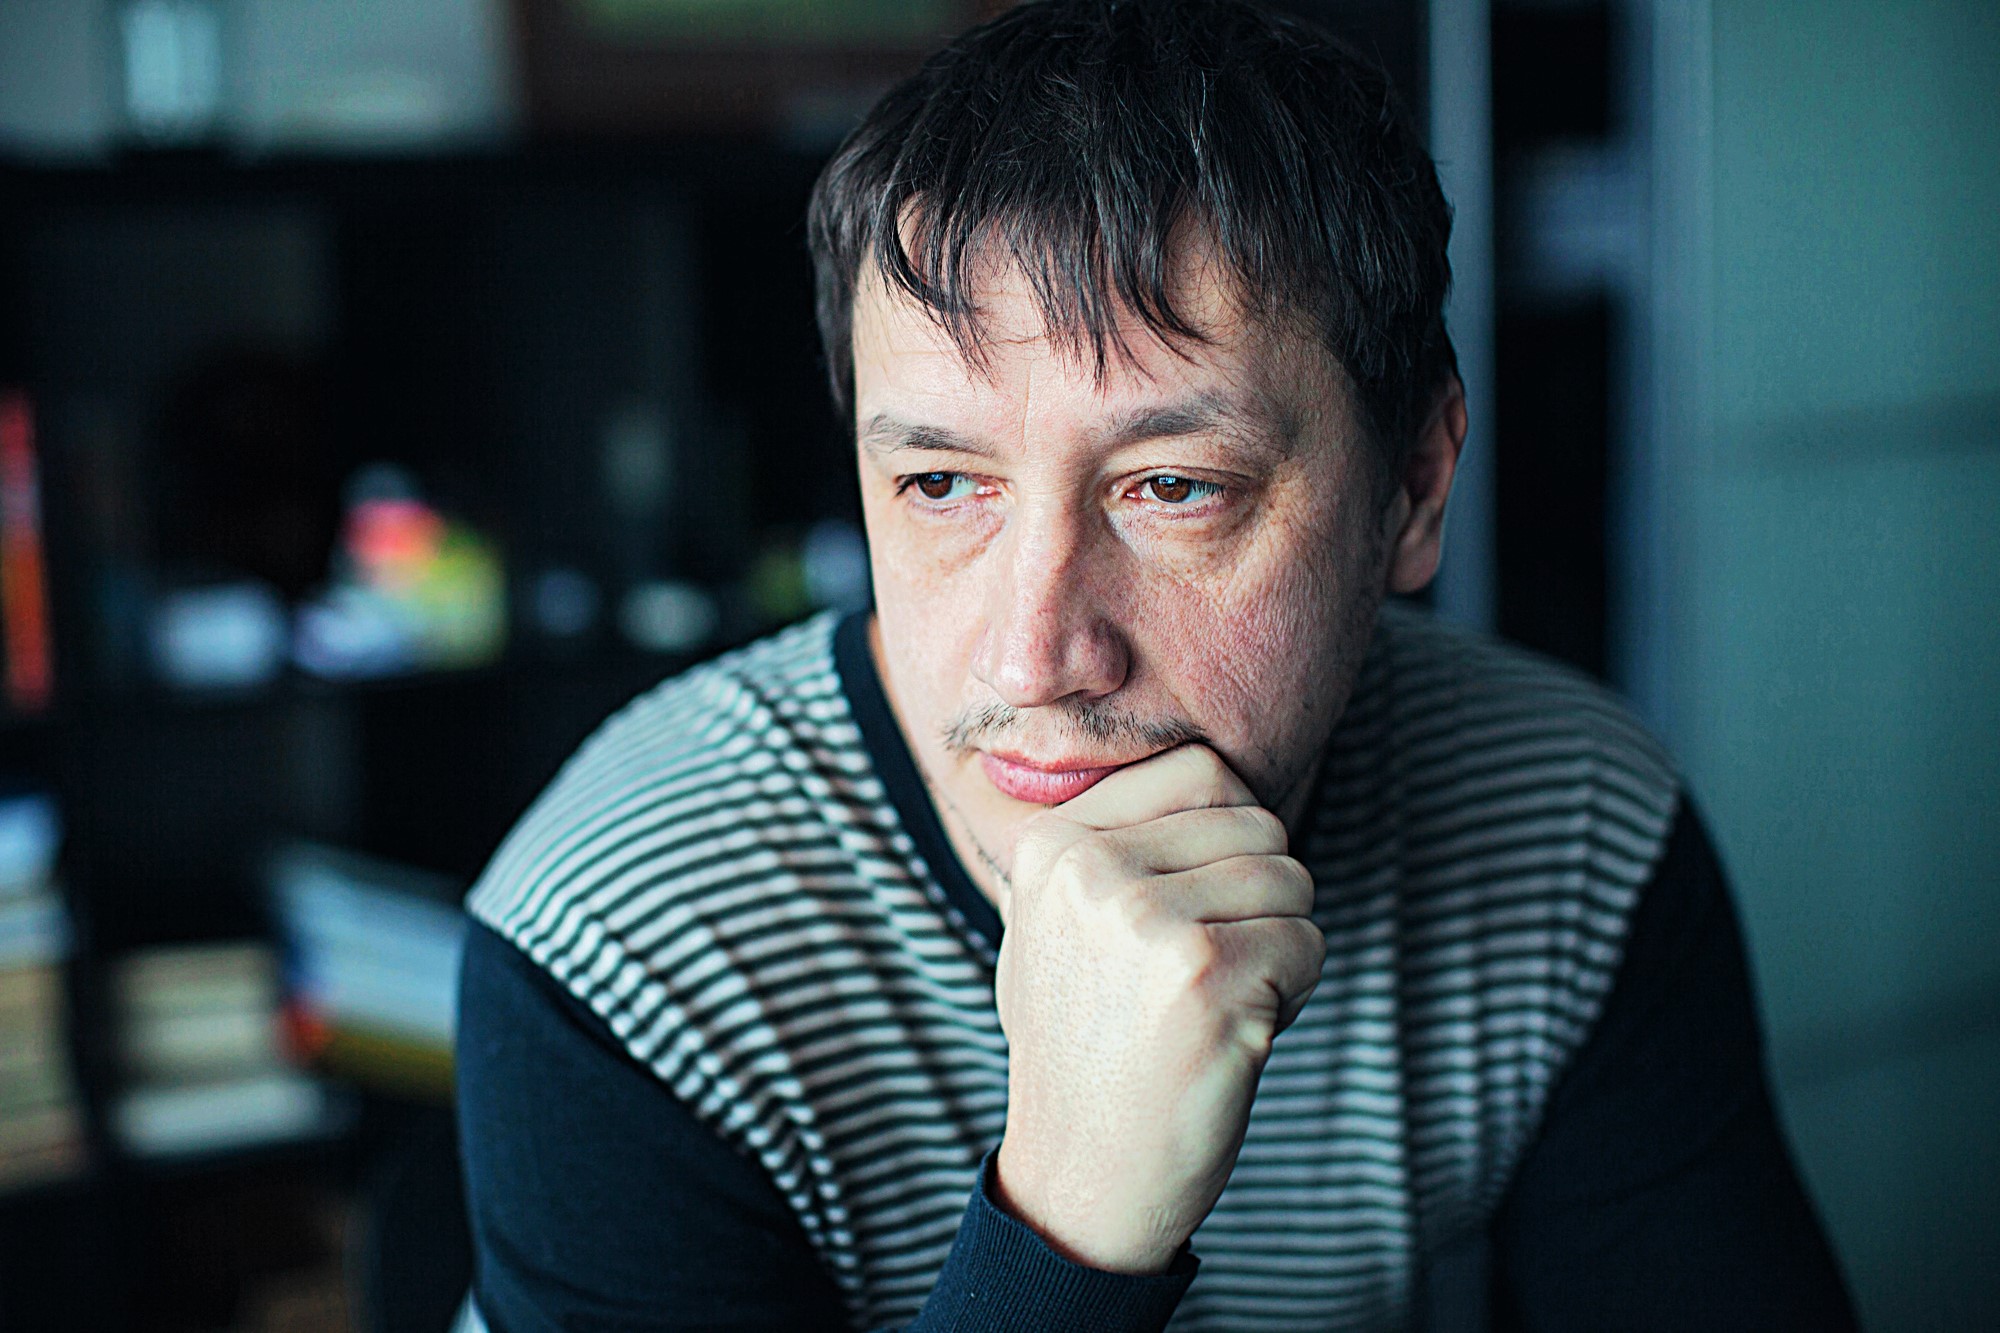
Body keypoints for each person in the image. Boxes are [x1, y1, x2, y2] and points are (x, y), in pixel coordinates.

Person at [454, 2, 1856, 1328]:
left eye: (1173, 486)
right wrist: (1066, 1227)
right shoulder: (624, 934)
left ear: (1416, 487)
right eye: (943, 485)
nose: (1036, 650)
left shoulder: (1573, 826)